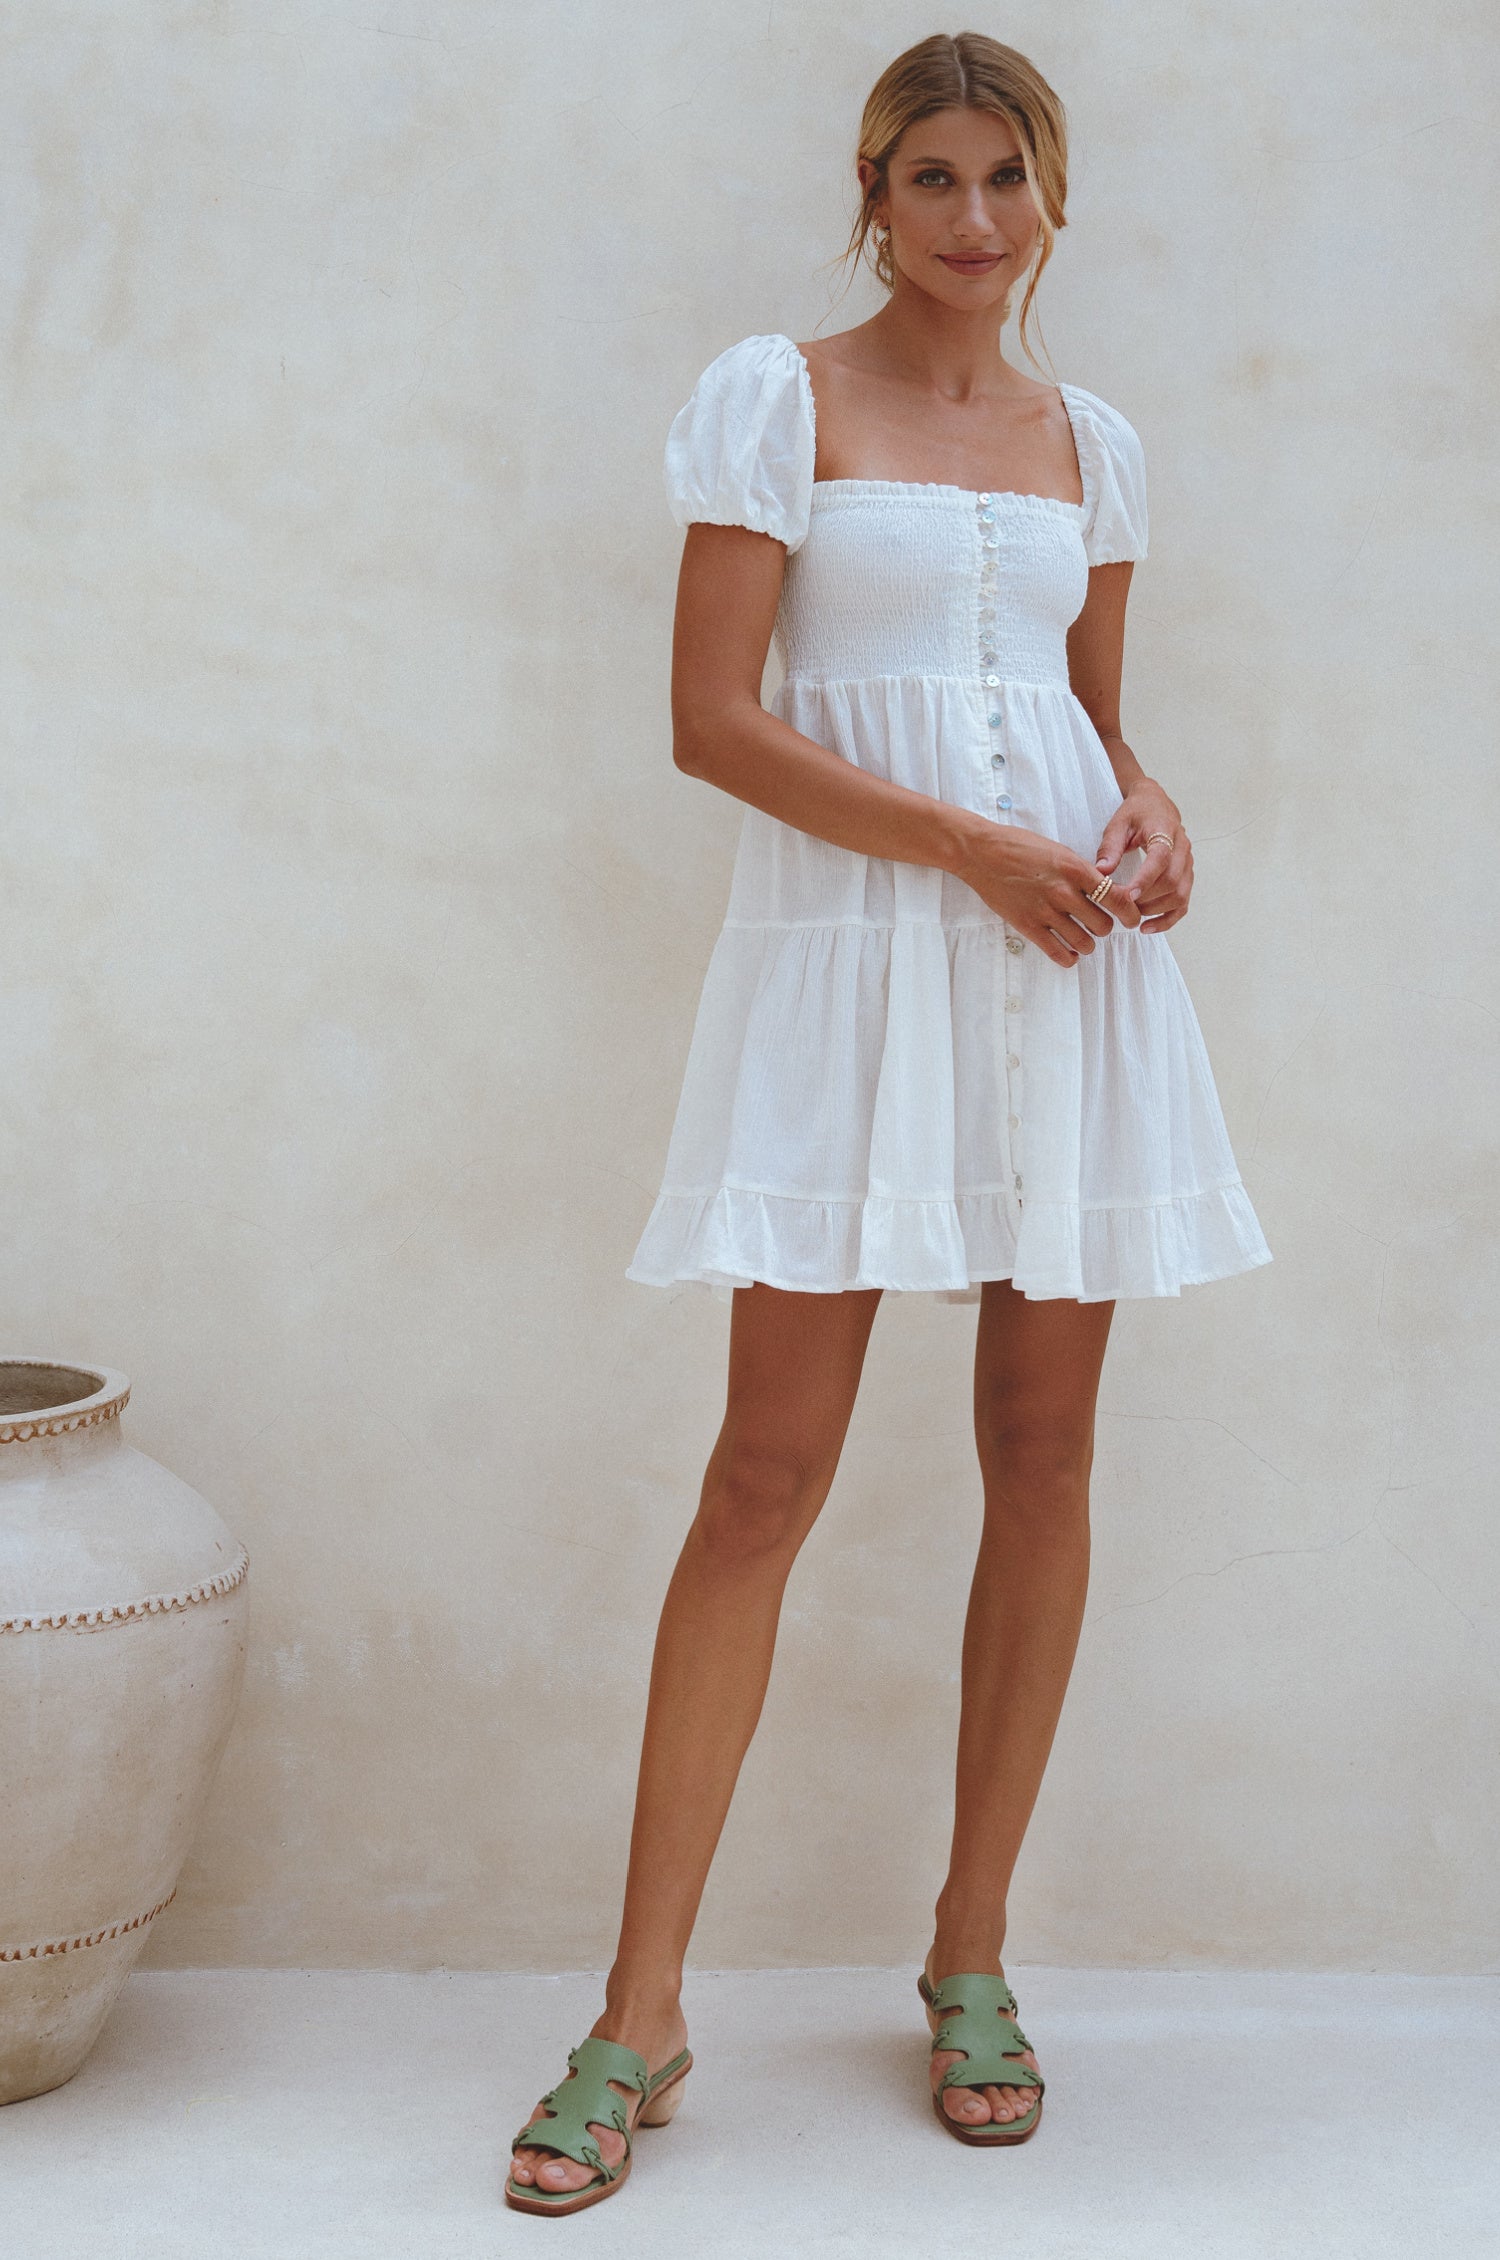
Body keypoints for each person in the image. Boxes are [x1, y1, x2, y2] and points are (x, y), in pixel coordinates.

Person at [506, 28, 1271, 2216]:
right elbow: (710, 721)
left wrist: (1149, 809)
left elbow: (1090, 717)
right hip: (855, 966)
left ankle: (971, 1952)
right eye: (931, 177)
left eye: (1004, 178)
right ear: (875, 198)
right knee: (763, 1474)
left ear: (1051, 199)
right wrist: (964, 844)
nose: (972, 217)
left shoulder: (1092, 443)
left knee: (1044, 1453)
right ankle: (640, 2010)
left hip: (1065, 974)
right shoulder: (781, 398)